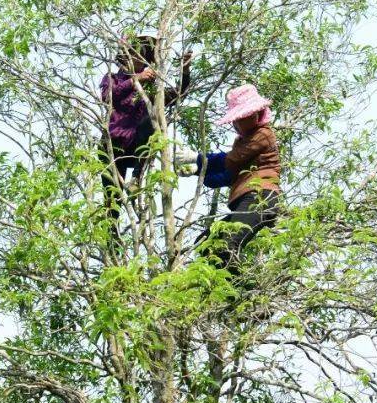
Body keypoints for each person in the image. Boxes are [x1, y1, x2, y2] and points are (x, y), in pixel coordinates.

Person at [100, 36, 192, 218]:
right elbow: (108, 96)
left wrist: (185, 72)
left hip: (135, 148)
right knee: (112, 203)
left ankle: (136, 177)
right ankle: (112, 242)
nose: (135, 61)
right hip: (114, 146)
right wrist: (136, 80)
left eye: (140, 57)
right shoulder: (113, 78)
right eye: (132, 55)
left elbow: (176, 94)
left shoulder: (151, 90)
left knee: (153, 117)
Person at [197, 83, 281, 263]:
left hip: (259, 198)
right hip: (246, 199)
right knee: (207, 244)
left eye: (240, 118)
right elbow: (228, 175)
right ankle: (218, 286)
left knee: (228, 244)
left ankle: (243, 287)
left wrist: (198, 159)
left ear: (255, 115)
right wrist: (199, 172)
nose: (236, 124)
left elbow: (230, 160)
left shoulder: (263, 134)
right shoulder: (243, 141)